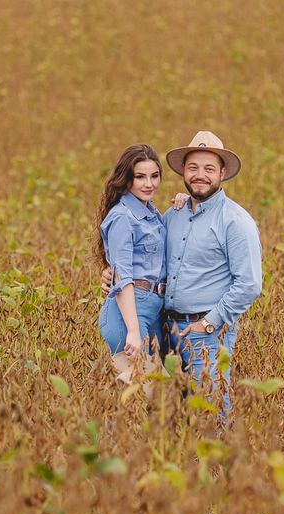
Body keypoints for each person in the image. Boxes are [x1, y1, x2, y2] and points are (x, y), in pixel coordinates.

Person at [102, 131, 262, 416]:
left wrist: (208, 323)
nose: (200, 175)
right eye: (193, 168)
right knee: (167, 412)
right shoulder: (171, 215)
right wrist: (111, 277)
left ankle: (215, 463)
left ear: (222, 173)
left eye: (209, 169)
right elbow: (145, 261)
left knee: (210, 411)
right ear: (183, 173)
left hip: (207, 335)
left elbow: (248, 285)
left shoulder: (235, 221)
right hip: (165, 331)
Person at [93, 144, 187, 386]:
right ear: (126, 180)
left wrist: (185, 202)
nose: (149, 184)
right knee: (147, 394)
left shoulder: (151, 213)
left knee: (150, 395)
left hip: (153, 309)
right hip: (129, 315)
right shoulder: (123, 217)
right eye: (140, 177)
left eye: (154, 176)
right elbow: (122, 277)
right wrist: (133, 331)